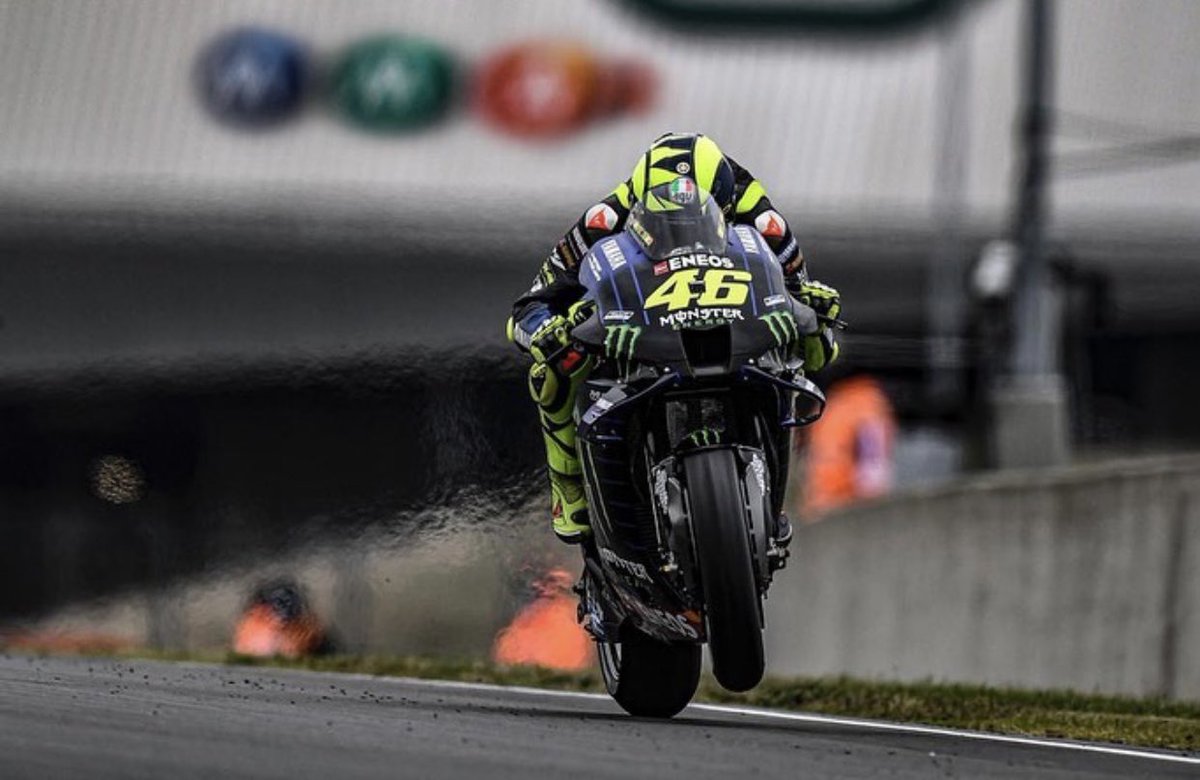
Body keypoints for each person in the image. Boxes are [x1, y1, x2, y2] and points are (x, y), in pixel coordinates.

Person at [508, 132, 841, 543]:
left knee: (795, 350)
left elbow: (804, 309)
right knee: (552, 368)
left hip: (730, 325)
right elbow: (530, 306)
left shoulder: (759, 214)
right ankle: (568, 488)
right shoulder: (605, 218)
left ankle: (772, 489)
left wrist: (816, 316)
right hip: (644, 326)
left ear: (726, 202)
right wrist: (547, 330)